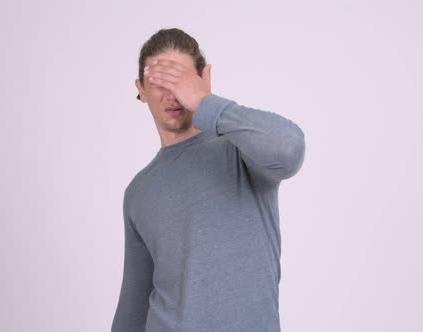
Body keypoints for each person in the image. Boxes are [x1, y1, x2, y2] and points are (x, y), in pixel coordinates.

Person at [111, 28, 306, 332]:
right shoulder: (139, 191)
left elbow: (290, 148)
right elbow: (134, 304)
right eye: (160, 82)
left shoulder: (242, 150)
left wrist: (205, 101)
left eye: (182, 80)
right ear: (141, 89)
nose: (172, 94)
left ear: (204, 79)